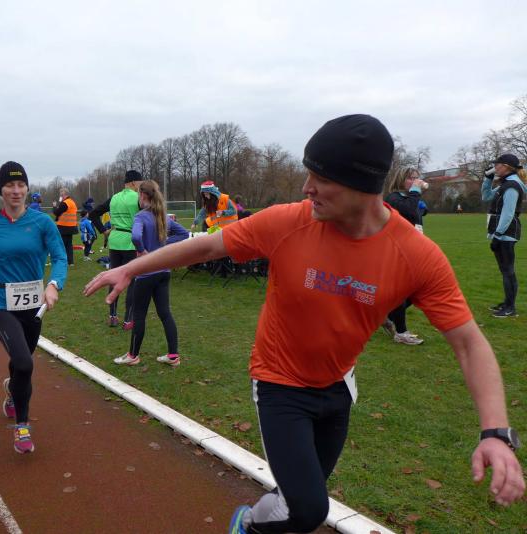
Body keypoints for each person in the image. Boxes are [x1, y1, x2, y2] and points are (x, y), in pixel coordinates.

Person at [84, 114, 524, 533]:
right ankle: (247, 523)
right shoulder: (288, 222)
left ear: (363, 186)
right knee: (309, 507)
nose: (306, 187)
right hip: (279, 383)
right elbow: (207, 248)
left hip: (338, 387)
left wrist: (495, 433)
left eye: (321, 178)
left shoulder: (416, 255)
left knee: (296, 498)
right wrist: (131, 269)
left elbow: (469, 343)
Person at [0, 161, 67, 454]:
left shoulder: (42, 223)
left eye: (21, 184)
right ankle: (22, 427)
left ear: (27, 188)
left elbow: (60, 257)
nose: (16, 190)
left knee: (21, 361)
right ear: (1, 190)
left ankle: (13, 391)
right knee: (24, 363)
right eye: (9, 185)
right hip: (1, 305)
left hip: (33, 307)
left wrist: (54, 284)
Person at [113, 180, 188, 367]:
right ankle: (173, 355)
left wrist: (142, 250)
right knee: (165, 313)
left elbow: (136, 236)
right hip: (163, 272)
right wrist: (162, 247)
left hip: (146, 274)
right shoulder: (162, 216)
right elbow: (184, 233)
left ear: (142, 196)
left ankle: (133, 355)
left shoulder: (141, 216)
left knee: (139, 315)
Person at [381, 167, 430, 344]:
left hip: (413, 249)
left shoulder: (410, 198)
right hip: (396, 251)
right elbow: (408, 210)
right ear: (401, 180)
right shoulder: (393, 198)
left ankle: (386, 315)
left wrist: (422, 208)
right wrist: (416, 192)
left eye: (416, 178)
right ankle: (401, 333)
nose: (414, 181)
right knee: (401, 291)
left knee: (418, 289)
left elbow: (415, 215)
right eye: (410, 178)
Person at [89, 170, 143, 328]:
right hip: (131, 241)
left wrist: (103, 231)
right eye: (140, 183)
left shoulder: (114, 198)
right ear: (133, 182)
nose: (141, 186)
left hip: (114, 240)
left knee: (114, 277)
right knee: (132, 280)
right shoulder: (138, 197)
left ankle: (112, 316)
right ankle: (128, 320)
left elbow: (93, 214)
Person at [482, 153, 527, 318]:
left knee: (508, 271)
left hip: (506, 234)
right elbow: (486, 196)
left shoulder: (512, 186)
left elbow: (508, 214)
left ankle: (510, 308)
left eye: (497, 165)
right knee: (505, 270)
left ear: (506, 166)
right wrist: (488, 179)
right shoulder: (506, 184)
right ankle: (507, 303)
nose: (495, 167)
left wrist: (498, 235)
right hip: (502, 234)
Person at [52, 188, 78, 267]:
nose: (60, 196)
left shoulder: (64, 203)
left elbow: (56, 212)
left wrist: (54, 206)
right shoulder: (72, 202)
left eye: (61, 194)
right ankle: (70, 262)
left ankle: (62, 261)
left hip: (64, 227)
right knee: (69, 245)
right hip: (71, 226)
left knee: (61, 245)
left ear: (64, 194)